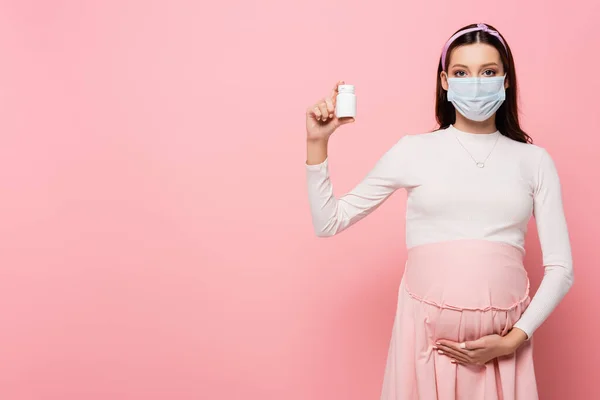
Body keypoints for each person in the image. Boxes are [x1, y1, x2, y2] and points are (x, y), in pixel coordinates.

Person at [304, 23, 574, 399]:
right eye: (462, 73)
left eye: (488, 72)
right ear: (445, 81)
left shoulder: (534, 161)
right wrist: (317, 143)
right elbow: (328, 222)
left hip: (502, 355)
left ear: (506, 81)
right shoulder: (413, 151)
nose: (475, 83)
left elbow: (561, 269)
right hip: (424, 347)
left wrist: (512, 341)